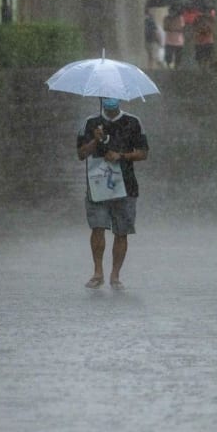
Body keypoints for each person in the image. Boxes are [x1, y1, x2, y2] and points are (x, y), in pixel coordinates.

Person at [76, 97, 149, 289]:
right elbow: (81, 154)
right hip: (97, 184)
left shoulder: (133, 122)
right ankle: (97, 271)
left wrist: (121, 156)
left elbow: (143, 153)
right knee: (98, 227)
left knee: (121, 231)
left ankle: (115, 275)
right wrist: (95, 140)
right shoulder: (90, 123)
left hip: (126, 186)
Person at [162, 5, 185, 70]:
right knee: (168, 55)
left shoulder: (180, 18)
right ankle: (169, 65)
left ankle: (177, 67)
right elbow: (165, 27)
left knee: (178, 56)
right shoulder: (166, 18)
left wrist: (173, 28)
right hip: (169, 40)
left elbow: (181, 27)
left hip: (178, 41)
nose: (171, 12)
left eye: (172, 11)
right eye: (170, 11)